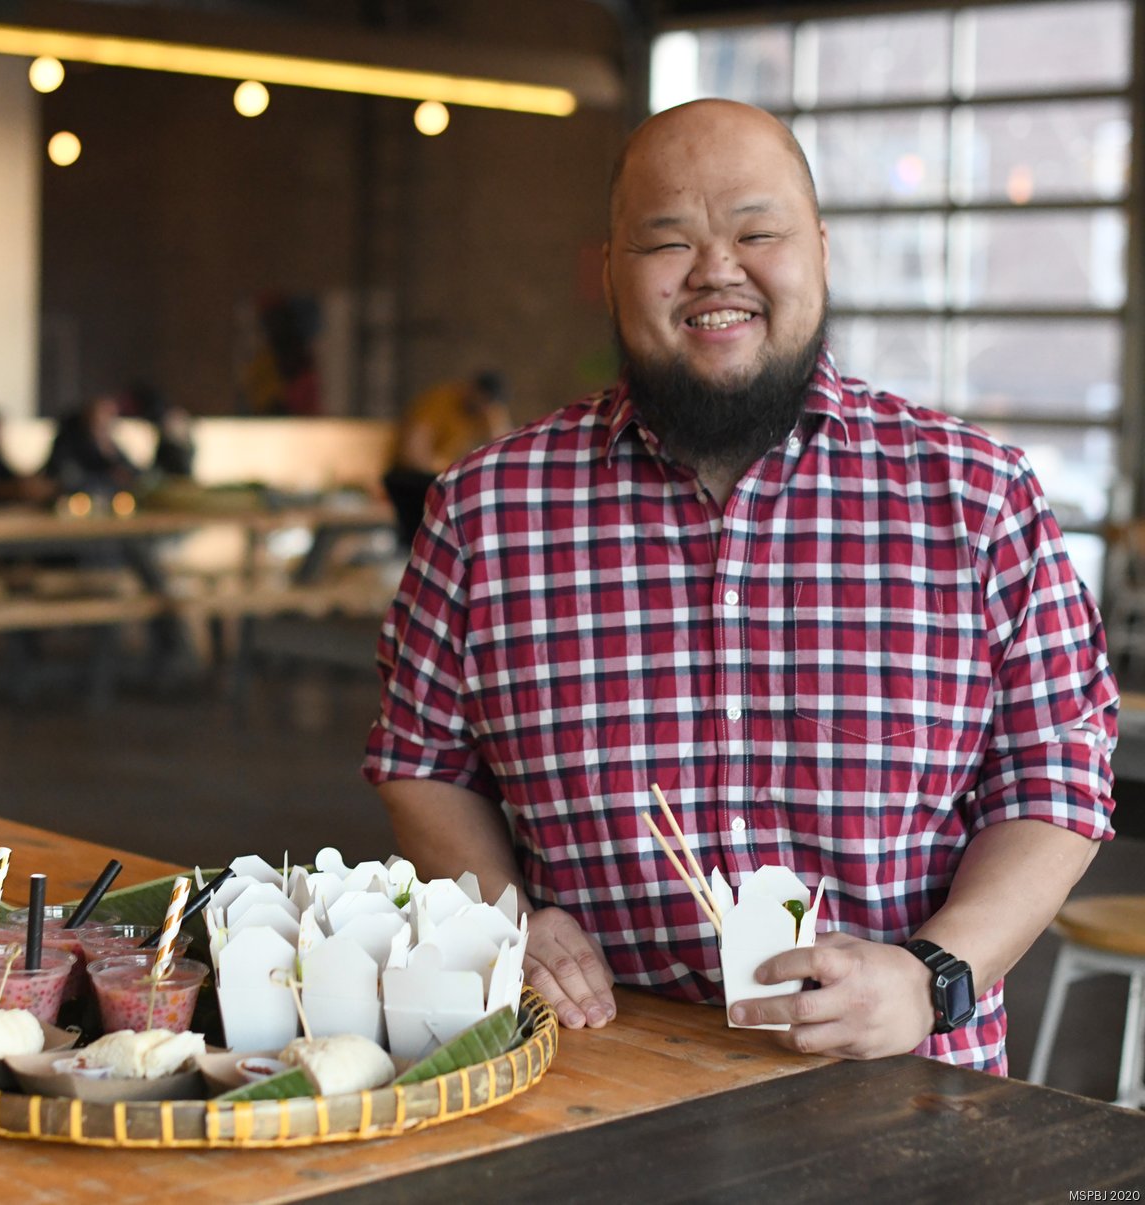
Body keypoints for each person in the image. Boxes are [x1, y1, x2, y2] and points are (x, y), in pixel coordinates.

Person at [362, 100, 1118, 1075]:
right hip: (597, 1075)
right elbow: (421, 758)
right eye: (667, 240)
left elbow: (1055, 777)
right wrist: (507, 918)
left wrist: (936, 971)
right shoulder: (484, 509)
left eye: (758, 231)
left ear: (822, 251)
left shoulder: (976, 497)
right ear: (604, 272)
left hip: (903, 1089)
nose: (717, 268)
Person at [382, 371, 512, 547]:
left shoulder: (482, 412)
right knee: (419, 539)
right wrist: (444, 475)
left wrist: (494, 418)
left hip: (436, 479)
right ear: (471, 389)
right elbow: (413, 453)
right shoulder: (440, 401)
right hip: (407, 478)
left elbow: (505, 454)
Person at [43, 395, 139, 498]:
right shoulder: (69, 442)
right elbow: (69, 480)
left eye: (112, 415)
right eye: (104, 413)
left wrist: (109, 453)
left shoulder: (110, 446)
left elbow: (134, 474)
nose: (107, 421)